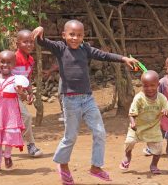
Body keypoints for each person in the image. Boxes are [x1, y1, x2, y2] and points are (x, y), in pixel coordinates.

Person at [32, 19, 138, 184]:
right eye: (71, 34)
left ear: (83, 37)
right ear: (64, 35)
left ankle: (96, 167)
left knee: (100, 132)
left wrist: (124, 58)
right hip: (70, 100)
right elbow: (42, 41)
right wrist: (39, 30)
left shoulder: (85, 49)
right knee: (71, 136)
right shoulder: (60, 48)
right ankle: (63, 165)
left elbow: (104, 55)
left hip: (88, 98)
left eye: (79, 35)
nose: (75, 38)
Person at [119, 70, 168, 174]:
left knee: (158, 148)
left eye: (152, 85)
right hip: (137, 127)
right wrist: (133, 123)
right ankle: (127, 155)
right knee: (129, 142)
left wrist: (167, 112)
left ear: (158, 84)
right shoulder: (139, 98)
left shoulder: (161, 98)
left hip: (153, 128)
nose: (149, 88)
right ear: (142, 85)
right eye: (145, 86)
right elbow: (131, 113)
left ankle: (153, 165)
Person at [12, 29, 43, 157]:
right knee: (26, 117)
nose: (29, 45)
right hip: (8, 95)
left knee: (13, 121)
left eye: (31, 42)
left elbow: (27, 79)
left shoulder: (30, 60)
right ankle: (31, 145)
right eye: (25, 42)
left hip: (18, 94)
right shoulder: (13, 58)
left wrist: (30, 92)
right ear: (17, 44)